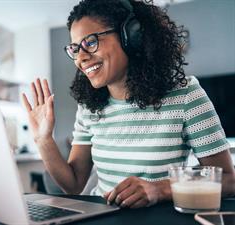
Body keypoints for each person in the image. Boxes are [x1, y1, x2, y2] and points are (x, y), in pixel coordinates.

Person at [22, 0, 235, 208]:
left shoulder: (186, 95)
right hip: (100, 217)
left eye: (90, 42)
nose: (81, 58)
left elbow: (228, 180)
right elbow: (74, 184)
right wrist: (43, 140)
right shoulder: (89, 106)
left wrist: (160, 189)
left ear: (132, 36)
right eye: (75, 48)